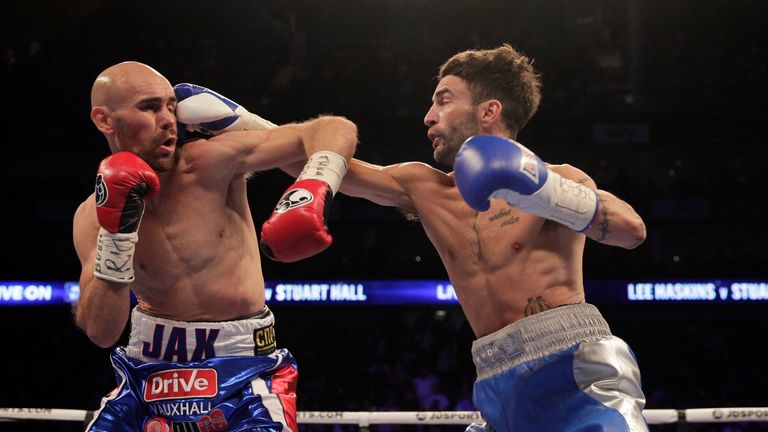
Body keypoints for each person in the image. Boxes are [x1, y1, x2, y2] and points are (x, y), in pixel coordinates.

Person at [294, 44, 647, 431]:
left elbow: (632, 231)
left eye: (443, 102)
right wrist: (236, 124)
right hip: (496, 383)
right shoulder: (425, 188)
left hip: (574, 368)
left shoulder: (558, 177)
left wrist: (545, 192)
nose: (428, 117)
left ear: (489, 111)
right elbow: (315, 161)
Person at [72, 61, 357, 432]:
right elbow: (101, 332)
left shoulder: (210, 162)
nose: (167, 119)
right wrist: (117, 233)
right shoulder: (92, 216)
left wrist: (313, 188)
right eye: (149, 107)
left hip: (243, 373)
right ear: (104, 120)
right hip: (149, 373)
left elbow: (333, 129)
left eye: (171, 106)